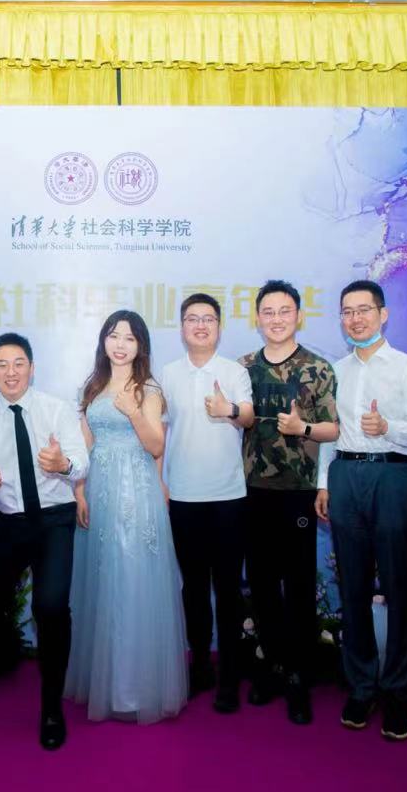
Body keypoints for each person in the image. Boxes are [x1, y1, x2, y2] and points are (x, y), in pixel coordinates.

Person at [0, 333, 89, 750]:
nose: (10, 372)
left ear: (32, 368)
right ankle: (0, 658)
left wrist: (63, 463)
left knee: (50, 607)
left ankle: (51, 708)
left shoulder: (56, 408)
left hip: (53, 521)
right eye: (1, 364)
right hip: (10, 522)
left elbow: (81, 461)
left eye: (19, 363)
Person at [315, 280, 407, 740]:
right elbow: (328, 431)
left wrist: (388, 427)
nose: (355, 318)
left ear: (383, 314)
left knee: (399, 584)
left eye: (364, 310)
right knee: (353, 585)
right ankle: (361, 686)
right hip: (345, 475)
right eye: (347, 311)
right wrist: (324, 483)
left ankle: (399, 693)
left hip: (392, 474)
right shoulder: (335, 371)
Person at [65, 310, 188, 725]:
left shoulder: (148, 389)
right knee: (102, 586)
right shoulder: (92, 386)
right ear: (104, 341)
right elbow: (83, 446)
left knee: (133, 584)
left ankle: (133, 689)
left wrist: (134, 412)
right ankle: (104, 682)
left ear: (141, 347)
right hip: (98, 491)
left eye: (129, 338)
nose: (120, 344)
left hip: (135, 493)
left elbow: (156, 446)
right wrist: (79, 491)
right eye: (113, 336)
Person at [238, 279, 339, 726]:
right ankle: (272, 667)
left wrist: (304, 430)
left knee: (298, 586)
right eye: (268, 312)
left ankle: (299, 676)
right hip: (251, 492)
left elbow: (334, 429)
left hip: (298, 493)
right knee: (261, 586)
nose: (276, 319)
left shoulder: (317, 368)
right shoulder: (243, 368)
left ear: (298, 315)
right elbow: (235, 421)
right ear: (257, 318)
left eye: (284, 311)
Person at [159, 293, 255, 713]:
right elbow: (161, 433)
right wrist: (160, 482)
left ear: (219, 326)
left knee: (228, 590)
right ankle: (200, 665)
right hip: (183, 496)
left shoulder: (234, 371)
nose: (201, 325)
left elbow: (248, 416)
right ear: (182, 327)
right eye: (192, 319)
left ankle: (230, 677)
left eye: (208, 319)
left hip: (228, 498)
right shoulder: (168, 374)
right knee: (194, 589)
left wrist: (227, 408)